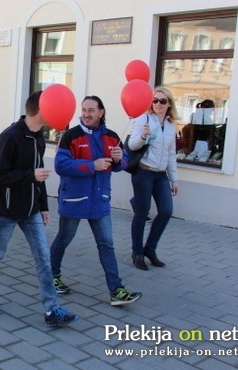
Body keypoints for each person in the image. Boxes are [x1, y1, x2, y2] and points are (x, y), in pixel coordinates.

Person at [0, 91, 78, 327]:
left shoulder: (39, 136)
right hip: (7, 209)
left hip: (31, 210)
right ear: (41, 109)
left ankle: (51, 309)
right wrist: (30, 176)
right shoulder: (10, 136)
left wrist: (43, 205)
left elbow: (38, 174)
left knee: (43, 257)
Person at [49, 96, 142, 306]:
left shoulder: (112, 136)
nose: (86, 114)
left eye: (91, 110)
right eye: (83, 110)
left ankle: (117, 291)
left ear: (101, 112)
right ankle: (51, 276)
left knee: (106, 245)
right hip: (75, 198)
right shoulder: (71, 136)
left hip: (99, 201)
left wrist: (120, 159)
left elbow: (122, 164)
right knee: (64, 239)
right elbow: (61, 165)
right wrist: (92, 165)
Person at [127, 86, 180, 270]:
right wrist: (143, 136)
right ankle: (137, 252)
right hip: (143, 172)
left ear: (169, 104)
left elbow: (171, 154)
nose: (158, 104)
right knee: (142, 213)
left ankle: (150, 248)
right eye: (155, 100)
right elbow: (132, 146)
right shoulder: (143, 119)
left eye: (162, 101)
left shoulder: (171, 126)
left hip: (161, 175)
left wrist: (174, 179)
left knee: (166, 211)